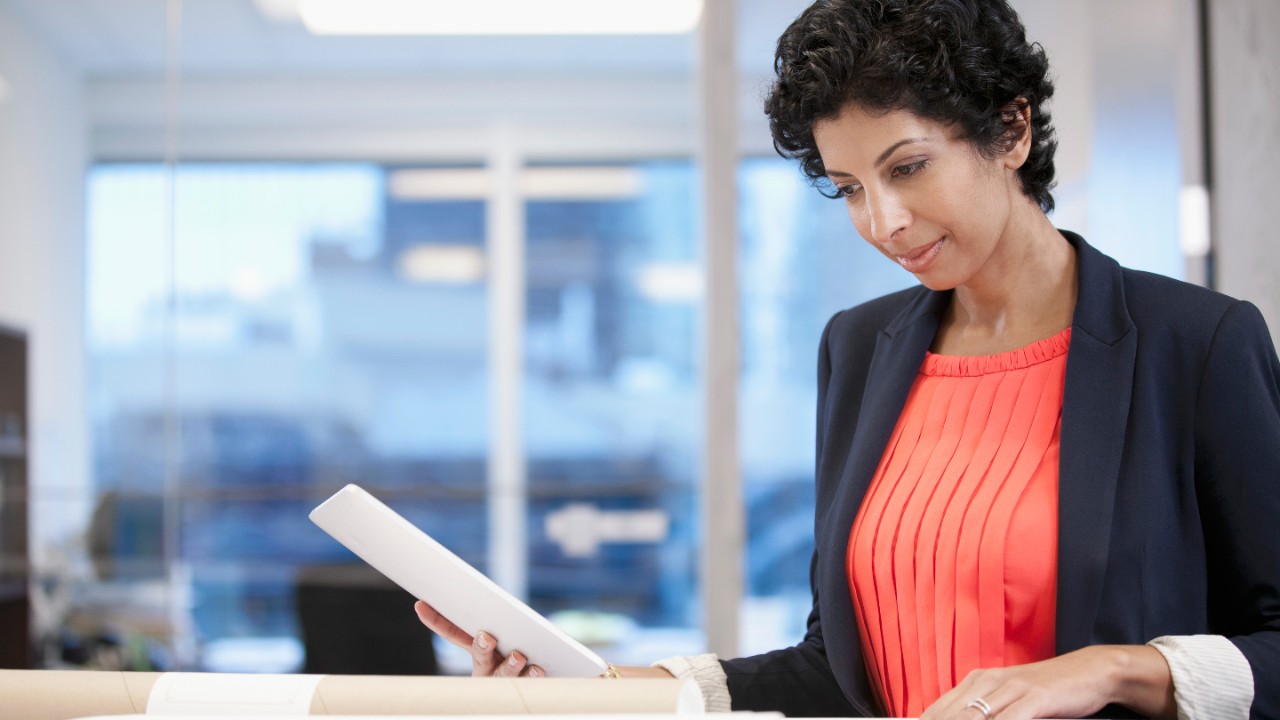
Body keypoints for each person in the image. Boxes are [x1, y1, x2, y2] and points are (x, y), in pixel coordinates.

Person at [417, 0, 1280, 718]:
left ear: (1011, 129)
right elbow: (836, 666)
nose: (882, 222)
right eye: (851, 189)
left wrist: (1116, 670)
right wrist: (597, 688)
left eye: (909, 167)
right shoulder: (863, 348)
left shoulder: (1195, 344)